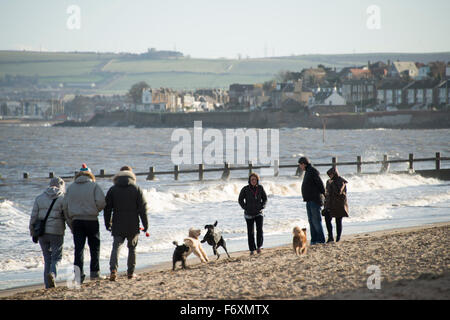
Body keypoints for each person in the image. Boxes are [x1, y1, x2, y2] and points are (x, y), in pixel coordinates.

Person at [104, 166, 149, 281]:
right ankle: (130, 273)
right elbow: (143, 209)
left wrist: (107, 223)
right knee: (132, 248)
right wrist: (145, 225)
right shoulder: (136, 189)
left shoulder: (113, 189)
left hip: (118, 222)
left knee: (116, 247)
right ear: (131, 175)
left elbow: (107, 208)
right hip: (132, 223)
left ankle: (113, 270)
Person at [63, 164, 106, 283]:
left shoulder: (71, 187)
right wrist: (95, 210)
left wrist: (70, 221)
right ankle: (95, 273)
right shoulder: (94, 186)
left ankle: (78, 276)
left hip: (77, 221)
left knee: (79, 249)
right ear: (90, 174)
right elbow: (102, 202)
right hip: (91, 220)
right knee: (94, 247)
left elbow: (65, 206)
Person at [29, 177, 70, 288]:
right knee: (56, 257)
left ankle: (48, 285)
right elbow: (67, 216)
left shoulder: (39, 198)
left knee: (47, 258)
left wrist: (32, 232)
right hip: (57, 231)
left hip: (42, 232)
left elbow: (33, 217)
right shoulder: (63, 198)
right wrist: (73, 229)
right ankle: (52, 274)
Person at [298, 157, 326, 245]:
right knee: (311, 220)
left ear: (304, 164)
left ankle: (320, 239)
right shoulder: (308, 171)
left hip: (315, 200)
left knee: (316, 220)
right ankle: (314, 239)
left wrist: (324, 195)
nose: (300, 167)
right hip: (309, 200)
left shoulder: (313, 171)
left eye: (300, 165)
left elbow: (320, 184)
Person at [238, 173, 267, 255]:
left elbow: (265, 199)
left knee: (259, 231)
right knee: (250, 232)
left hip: (259, 213)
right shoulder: (245, 189)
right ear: (249, 181)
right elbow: (240, 200)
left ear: (257, 180)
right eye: (252, 180)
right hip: (248, 214)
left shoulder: (260, 188)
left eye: (255, 179)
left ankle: (259, 247)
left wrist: (262, 206)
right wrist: (245, 207)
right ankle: (251, 249)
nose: (253, 181)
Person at [323, 167, 349, 243]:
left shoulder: (341, 181)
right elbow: (327, 193)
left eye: (331, 174)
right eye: (329, 175)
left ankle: (338, 238)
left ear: (335, 174)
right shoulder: (328, 181)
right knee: (327, 219)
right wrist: (325, 204)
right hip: (330, 204)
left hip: (338, 204)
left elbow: (338, 192)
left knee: (338, 221)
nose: (330, 176)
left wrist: (332, 183)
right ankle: (330, 237)